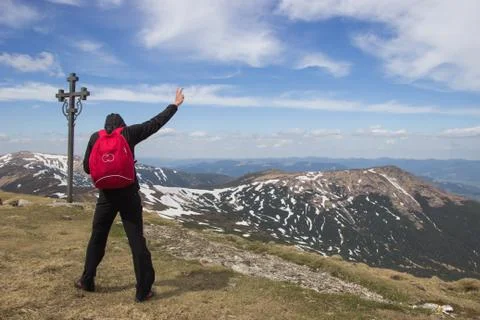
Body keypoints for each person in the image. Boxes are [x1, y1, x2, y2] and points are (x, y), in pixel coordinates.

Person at [75, 88, 184, 302]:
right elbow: (155, 123)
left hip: (106, 197)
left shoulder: (95, 137)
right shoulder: (129, 133)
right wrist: (175, 105)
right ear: (122, 125)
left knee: (98, 237)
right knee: (136, 240)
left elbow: (88, 168)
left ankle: (87, 280)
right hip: (128, 195)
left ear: (106, 127)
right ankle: (143, 290)